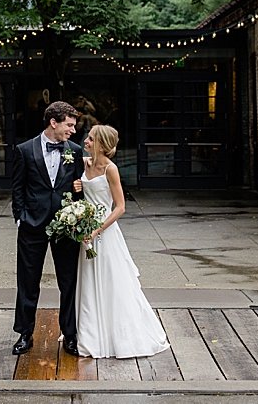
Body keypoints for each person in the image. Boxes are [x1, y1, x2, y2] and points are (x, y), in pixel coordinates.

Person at [71, 124, 168, 359]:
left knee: (111, 280)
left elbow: (120, 207)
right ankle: (89, 331)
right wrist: (78, 187)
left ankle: (119, 334)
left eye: (91, 139)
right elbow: (77, 185)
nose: (86, 141)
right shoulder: (85, 163)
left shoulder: (110, 169)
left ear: (102, 145)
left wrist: (97, 230)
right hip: (85, 228)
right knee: (87, 280)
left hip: (104, 232)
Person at [8, 100, 84, 358]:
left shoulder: (73, 151)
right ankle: (24, 333)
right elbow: (17, 187)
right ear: (54, 122)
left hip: (66, 225)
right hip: (32, 225)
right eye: (69, 125)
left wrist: (78, 211)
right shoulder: (24, 150)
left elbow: (80, 187)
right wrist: (20, 217)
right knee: (28, 281)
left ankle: (70, 336)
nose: (73, 130)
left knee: (69, 282)